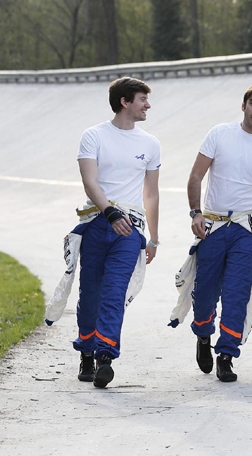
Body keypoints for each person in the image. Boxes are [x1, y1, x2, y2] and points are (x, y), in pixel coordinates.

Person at [44, 77, 161, 389]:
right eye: (142, 99)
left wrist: (153, 236)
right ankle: (86, 348)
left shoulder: (150, 143)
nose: (147, 105)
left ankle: (105, 356)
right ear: (125, 102)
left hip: (130, 230)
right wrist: (110, 212)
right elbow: (90, 181)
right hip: (97, 222)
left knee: (114, 291)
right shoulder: (94, 135)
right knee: (91, 291)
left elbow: (151, 194)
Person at [168, 84, 252, 383]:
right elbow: (195, 176)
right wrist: (195, 212)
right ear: (243, 105)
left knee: (237, 294)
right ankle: (204, 335)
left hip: (247, 231)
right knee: (205, 293)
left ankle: (227, 354)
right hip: (214, 226)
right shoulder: (219, 133)